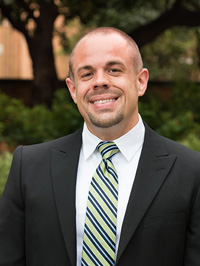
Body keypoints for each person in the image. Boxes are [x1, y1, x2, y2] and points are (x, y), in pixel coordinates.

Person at [0, 27, 200, 266]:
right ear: (73, 90)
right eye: (86, 74)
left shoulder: (191, 171)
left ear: (141, 81)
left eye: (114, 70)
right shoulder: (29, 167)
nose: (100, 82)